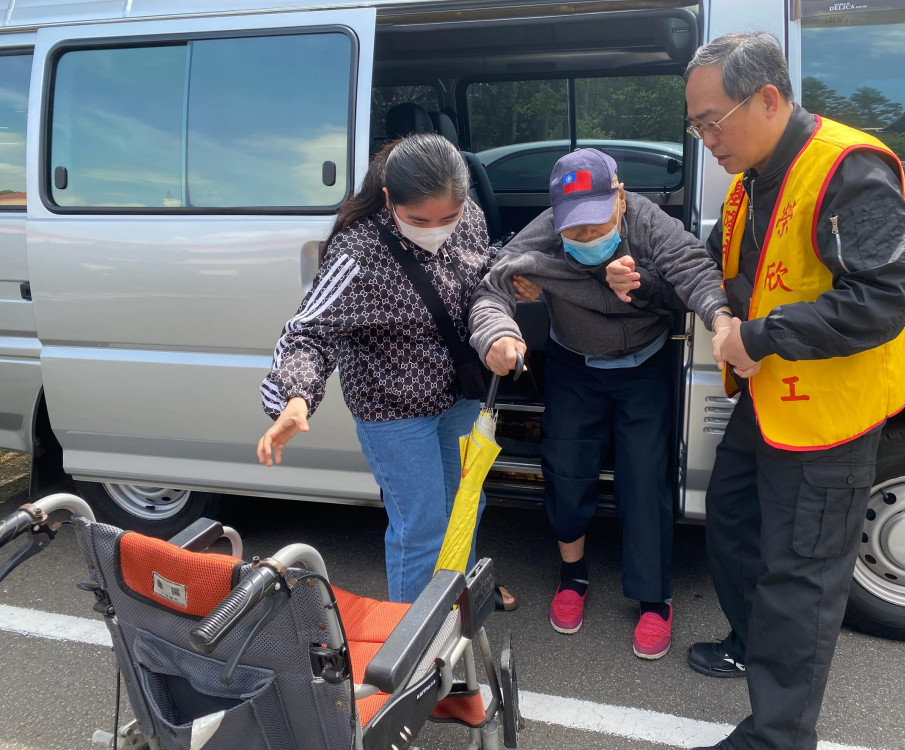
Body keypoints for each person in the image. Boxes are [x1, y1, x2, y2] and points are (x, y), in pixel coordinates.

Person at [679, 32, 905, 750]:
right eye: (696, 127)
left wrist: (756, 338)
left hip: (829, 409)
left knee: (803, 575)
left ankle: (777, 735)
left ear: (767, 98)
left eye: (712, 122)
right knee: (731, 521)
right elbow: (725, 269)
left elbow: (881, 300)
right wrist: (663, 286)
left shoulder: (847, 168)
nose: (706, 140)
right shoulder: (751, 181)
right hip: (771, 401)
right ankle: (750, 643)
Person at [468, 148, 732, 659]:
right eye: (575, 231)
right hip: (573, 367)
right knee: (565, 470)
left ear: (620, 196)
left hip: (645, 368)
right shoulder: (546, 229)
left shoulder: (647, 221)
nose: (586, 238)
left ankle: (654, 600)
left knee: (644, 477)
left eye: (595, 225)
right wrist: (498, 333)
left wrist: (720, 319)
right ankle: (573, 577)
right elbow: (491, 287)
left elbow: (694, 269)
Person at [256, 132, 525, 607]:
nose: (437, 228)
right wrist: (295, 397)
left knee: (468, 504)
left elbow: (483, 280)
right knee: (420, 525)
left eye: (449, 217)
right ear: (388, 199)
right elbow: (308, 333)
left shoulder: (471, 220)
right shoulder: (358, 254)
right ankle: (413, 644)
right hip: (395, 412)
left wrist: (510, 294)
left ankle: (458, 599)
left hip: (459, 398)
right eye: (418, 219)